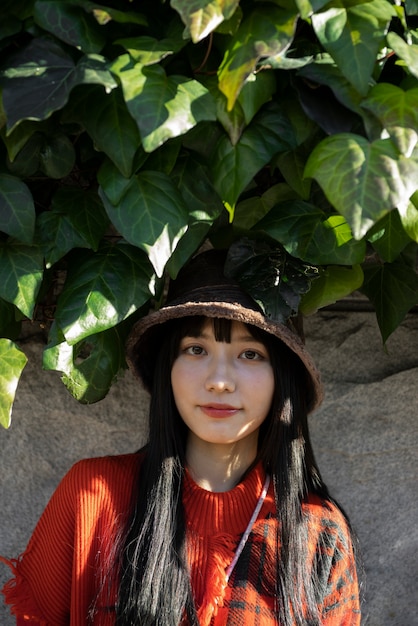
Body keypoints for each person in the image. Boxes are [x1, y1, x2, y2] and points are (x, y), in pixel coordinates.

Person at [1, 248, 361, 626]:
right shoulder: (94, 496)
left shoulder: (319, 532)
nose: (219, 381)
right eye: (196, 349)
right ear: (167, 368)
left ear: (282, 379)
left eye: (251, 354)